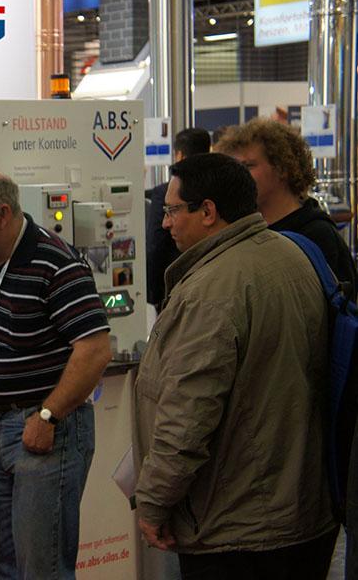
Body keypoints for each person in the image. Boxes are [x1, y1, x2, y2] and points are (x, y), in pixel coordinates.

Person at [133, 153, 337, 579]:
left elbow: (187, 417)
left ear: (208, 211)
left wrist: (153, 501)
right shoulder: (294, 256)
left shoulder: (212, 291)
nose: (165, 223)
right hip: (302, 510)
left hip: (236, 527)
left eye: (171, 210)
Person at [0, 168, 111, 579]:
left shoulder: (56, 261)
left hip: (45, 431)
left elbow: (94, 349)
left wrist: (49, 414)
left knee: (42, 569)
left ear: (3, 214)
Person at [215, 118, 357, 300]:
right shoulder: (242, 231)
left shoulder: (318, 236)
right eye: (235, 168)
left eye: (248, 166)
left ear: (282, 168)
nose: (237, 176)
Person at [146, 128, 210, 310]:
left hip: (175, 291)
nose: (167, 221)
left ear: (179, 155)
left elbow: (155, 247)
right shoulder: (220, 191)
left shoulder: (166, 193)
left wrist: (154, 295)